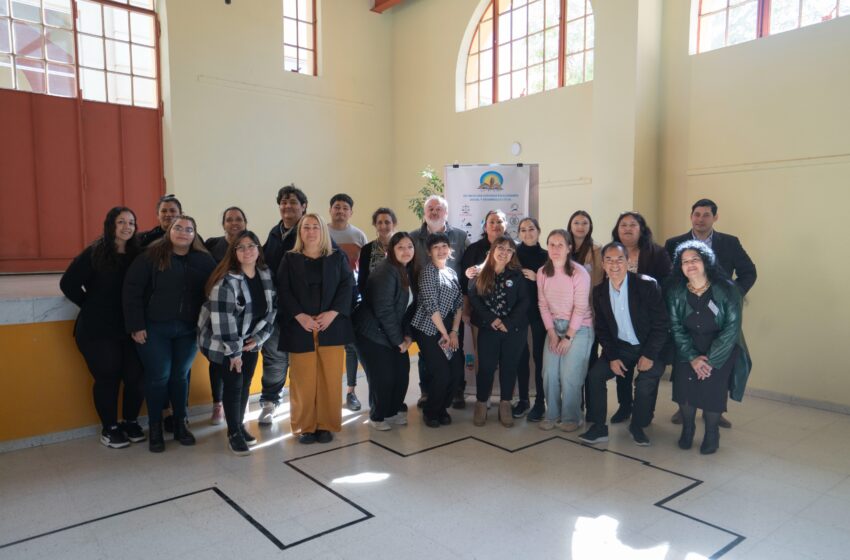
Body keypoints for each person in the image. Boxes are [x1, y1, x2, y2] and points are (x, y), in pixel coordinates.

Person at [123, 216, 216, 452]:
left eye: (189, 229)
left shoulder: (204, 260)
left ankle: (180, 423)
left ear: (195, 234)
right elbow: (132, 291)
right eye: (178, 228)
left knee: (180, 376)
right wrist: (136, 325)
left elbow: (216, 289)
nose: (183, 232)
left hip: (187, 329)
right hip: (154, 328)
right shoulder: (150, 256)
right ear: (169, 231)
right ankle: (155, 427)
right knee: (159, 376)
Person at [665, 198, 757, 429]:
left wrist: (733, 296)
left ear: (715, 217)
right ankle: (684, 406)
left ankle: (713, 409)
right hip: (687, 310)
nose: (700, 219)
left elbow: (749, 271)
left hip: (720, 316)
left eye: (706, 215)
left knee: (721, 357)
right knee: (686, 358)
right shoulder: (674, 243)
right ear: (691, 216)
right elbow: (668, 278)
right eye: (696, 214)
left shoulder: (730, 243)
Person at [60, 207, 145, 449]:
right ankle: (110, 428)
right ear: (110, 225)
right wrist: (90, 304)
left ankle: (130, 421)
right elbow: (68, 283)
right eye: (121, 222)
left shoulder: (137, 254)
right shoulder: (95, 253)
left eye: (131, 222)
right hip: (97, 329)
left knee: (135, 376)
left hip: (129, 327)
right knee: (108, 377)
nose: (127, 226)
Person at [578, 242, 670, 446]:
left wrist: (649, 355)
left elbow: (662, 324)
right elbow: (602, 329)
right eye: (609, 260)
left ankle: (637, 425)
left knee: (645, 383)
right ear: (602, 264)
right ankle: (599, 428)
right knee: (595, 376)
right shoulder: (599, 291)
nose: (614, 264)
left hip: (650, 346)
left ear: (628, 262)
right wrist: (612, 356)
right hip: (621, 347)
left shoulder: (647, 285)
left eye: (620, 259)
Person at [666, 240, 752, 455]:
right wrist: (692, 357)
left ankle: (712, 433)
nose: (690, 264)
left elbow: (731, 330)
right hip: (688, 348)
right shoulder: (676, 291)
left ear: (706, 261)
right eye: (685, 261)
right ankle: (688, 429)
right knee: (684, 390)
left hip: (721, 348)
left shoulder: (727, 290)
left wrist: (710, 360)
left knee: (713, 390)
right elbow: (676, 327)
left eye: (695, 259)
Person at [277, 214, 355, 444]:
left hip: (331, 325)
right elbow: (283, 290)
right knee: (303, 380)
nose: (311, 232)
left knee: (330, 378)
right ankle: (305, 426)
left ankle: (325, 425)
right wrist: (300, 316)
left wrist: (332, 314)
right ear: (300, 232)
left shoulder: (336, 256)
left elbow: (347, 285)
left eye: (315, 227)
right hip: (300, 326)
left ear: (323, 231)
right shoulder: (289, 258)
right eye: (306, 227)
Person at [198, 231, 276, 456]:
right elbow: (224, 322)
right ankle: (233, 433)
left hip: (250, 341)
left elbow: (273, 310)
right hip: (224, 344)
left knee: (244, 384)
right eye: (240, 247)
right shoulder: (226, 282)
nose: (247, 251)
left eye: (252, 245)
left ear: (258, 249)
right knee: (233, 386)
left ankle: (239, 426)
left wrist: (259, 339)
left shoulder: (265, 274)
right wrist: (234, 353)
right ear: (234, 253)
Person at [609, 211, 672, 424]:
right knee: (623, 371)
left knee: (647, 373)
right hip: (620, 323)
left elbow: (667, 285)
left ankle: (645, 414)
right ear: (617, 230)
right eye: (623, 225)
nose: (627, 228)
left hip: (648, 324)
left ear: (641, 229)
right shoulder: (611, 253)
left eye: (632, 225)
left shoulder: (657, 253)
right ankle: (624, 407)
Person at [409, 195, 468, 408]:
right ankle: (428, 394)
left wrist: (452, 329)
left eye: (439, 208)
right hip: (426, 313)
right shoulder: (413, 237)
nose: (434, 212)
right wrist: (445, 332)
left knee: (453, 358)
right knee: (430, 359)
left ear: (446, 212)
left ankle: (454, 393)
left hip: (451, 311)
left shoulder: (460, 237)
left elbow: (468, 270)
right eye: (430, 208)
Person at [354, 232, 417, 431]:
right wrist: (399, 341)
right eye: (400, 247)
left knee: (401, 372)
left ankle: (391, 411)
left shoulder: (407, 270)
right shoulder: (386, 271)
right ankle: (377, 415)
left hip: (392, 331)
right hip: (371, 333)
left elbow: (408, 308)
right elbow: (384, 310)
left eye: (409, 247)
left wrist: (407, 336)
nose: (406, 251)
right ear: (391, 250)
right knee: (383, 376)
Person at [259, 184, 307, 426]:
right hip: (276, 310)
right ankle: (270, 402)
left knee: (300, 362)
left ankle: (303, 407)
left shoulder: (310, 231)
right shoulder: (274, 233)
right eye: (284, 203)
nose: (287, 207)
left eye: (293, 203)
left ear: (303, 207)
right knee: (274, 359)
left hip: (302, 312)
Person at [468, 234, 529, 427]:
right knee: (485, 368)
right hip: (489, 328)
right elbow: (474, 298)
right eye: (500, 248)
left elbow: (524, 301)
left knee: (509, 368)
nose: (504, 253)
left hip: (514, 330)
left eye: (509, 250)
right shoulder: (480, 273)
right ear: (493, 250)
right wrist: (492, 319)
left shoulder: (517, 275)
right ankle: (480, 403)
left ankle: (505, 405)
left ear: (513, 255)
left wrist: (508, 322)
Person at [536, 229, 593, 432]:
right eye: (551, 244)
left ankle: (572, 417)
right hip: (554, 326)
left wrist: (568, 337)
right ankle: (552, 414)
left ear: (569, 248)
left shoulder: (580, 273)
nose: (555, 249)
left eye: (560, 244)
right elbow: (542, 305)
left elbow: (581, 308)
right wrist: (552, 333)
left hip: (578, 329)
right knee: (549, 372)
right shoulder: (542, 273)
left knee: (570, 374)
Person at [411, 233, 464, 428]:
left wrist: (454, 332)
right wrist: (444, 333)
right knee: (441, 373)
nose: (441, 250)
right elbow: (431, 306)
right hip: (429, 328)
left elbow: (459, 303)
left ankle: (442, 408)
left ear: (450, 250)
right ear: (429, 252)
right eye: (436, 247)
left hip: (448, 328)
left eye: (444, 246)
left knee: (456, 372)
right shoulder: (427, 272)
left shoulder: (451, 272)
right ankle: (431, 411)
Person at [460, 209, 510, 409]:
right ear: (485, 225)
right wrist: (465, 310)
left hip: (507, 317)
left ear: (506, 225)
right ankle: (485, 396)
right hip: (480, 314)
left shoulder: (513, 248)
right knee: (483, 357)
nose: (496, 225)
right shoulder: (473, 250)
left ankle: (506, 398)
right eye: (492, 221)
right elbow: (466, 285)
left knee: (506, 358)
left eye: (500, 221)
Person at [203, 206, 248, 425]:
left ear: (245, 223)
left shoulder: (250, 245)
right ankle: (217, 404)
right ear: (223, 224)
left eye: (238, 219)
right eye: (229, 219)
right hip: (218, 312)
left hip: (245, 315)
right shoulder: (212, 245)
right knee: (218, 361)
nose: (234, 223)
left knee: (242, 360)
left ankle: (240, 403)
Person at [327, 193, 368, 412]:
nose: (340, 211)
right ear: (330, 210)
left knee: (352, 347)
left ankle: (350, 392)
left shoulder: (358, 235)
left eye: (345, 208)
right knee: (330, 349)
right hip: (326, 300)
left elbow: (364, 269)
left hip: (352, 297)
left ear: (351, 212)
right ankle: (328, 394)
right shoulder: (322, 232)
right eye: (337, 207)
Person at [513, 217, 548, 421]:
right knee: (520, 357)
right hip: (517, 314)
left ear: (539, 231)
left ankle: (540, 402)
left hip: (539, 313)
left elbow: (556, 285)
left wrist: (538, 278)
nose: (527, 233)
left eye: (531, 229)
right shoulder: (513, 255)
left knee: (539, 358)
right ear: (518, 233)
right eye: (523, 230)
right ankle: (524, 400)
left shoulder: (547, 256)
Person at [357, 207, 397, 298]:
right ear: (375, 225)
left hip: (397, 302)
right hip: (372, 301)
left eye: (387, 222)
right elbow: (362, 281)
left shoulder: (402, 248)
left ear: (394, 224)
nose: (383, 226)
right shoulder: (366, 249)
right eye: (379, 222)